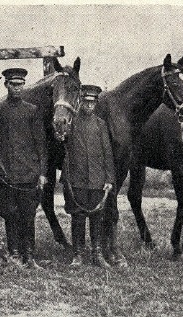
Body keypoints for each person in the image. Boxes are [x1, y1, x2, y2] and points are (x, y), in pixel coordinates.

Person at [0, 68, 47, 269]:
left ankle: (29, 256)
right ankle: (14, 254)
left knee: (28, 215)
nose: (17, 88)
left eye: (20, 84)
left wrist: (42, 172)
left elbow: (41, 144)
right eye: (13, 84)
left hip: (28, 174)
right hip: (5, 175)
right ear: (6, 85)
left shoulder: (32, 111)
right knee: (10, 214)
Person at [61, 85, 115, 268]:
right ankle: (78, 254)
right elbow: (61, 141)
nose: (89, 106)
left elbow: (107, 153)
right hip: (76, 179)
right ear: (81, 102)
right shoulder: (71, 122)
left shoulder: (101, 124)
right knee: (77, 216)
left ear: (96, 103)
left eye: (92, 102)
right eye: (86, 102)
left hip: (97, 179)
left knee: (96, 217)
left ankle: (97, 254)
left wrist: (109, 179)